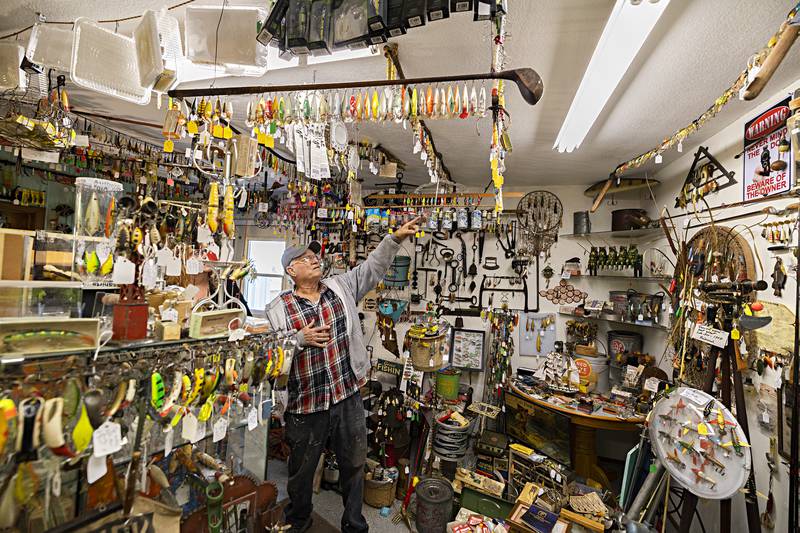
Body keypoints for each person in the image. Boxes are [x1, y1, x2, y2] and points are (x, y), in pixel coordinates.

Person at [266, 217, 422, 533]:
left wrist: (393, 239)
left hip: (346, 396)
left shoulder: (340, 287)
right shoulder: (278, 307)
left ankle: (354, 524)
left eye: (315, 256)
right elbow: (270, 355)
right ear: (291, 271)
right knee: (301, 471)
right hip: (306, 405)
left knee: (354, 464)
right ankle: (299, 521)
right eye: (305, 258)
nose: (314, 260)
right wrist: (299, 339)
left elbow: (372, 268)